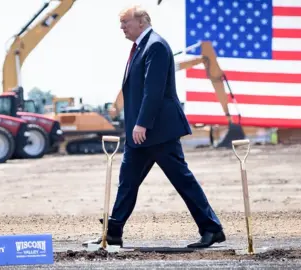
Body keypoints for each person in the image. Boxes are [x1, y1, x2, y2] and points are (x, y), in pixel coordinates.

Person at [83, 5, 225, 249]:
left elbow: (154, 90)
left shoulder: (155, 45)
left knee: (182, 180)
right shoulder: (141, 47)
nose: (122, 28)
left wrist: (141, 123)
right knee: (127, 181)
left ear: (142, 21)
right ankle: (114, 232)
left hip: (158, 131)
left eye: (126, 22)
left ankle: (212, 229)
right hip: (140, 134)